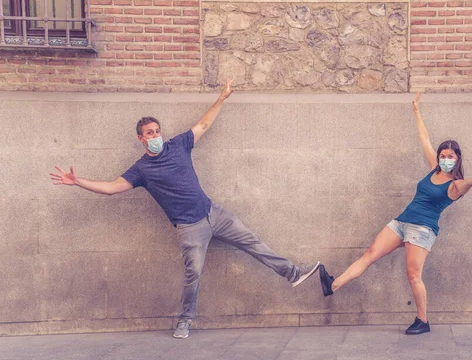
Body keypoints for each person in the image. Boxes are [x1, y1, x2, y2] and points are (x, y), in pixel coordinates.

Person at [50, 79, 320, 339]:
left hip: (214, 213)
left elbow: (204, 124)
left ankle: (293, 273)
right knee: (194, 274)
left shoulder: (177, 145)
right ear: (140, 139)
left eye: (157, 131)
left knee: (254, 243)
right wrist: (77, 182)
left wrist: (222, 98)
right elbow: (111, 187)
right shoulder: (141, 169)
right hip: (190, 228)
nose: (155, 136)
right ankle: (185, 319)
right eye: (149, 133)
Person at [318, 93, 472, 335]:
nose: (446, 159)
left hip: (421, 230)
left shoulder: (456, 185)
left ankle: (422, 321)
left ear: (458, 159)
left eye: (451, 156)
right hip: (401, 222)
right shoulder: (433, 169)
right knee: (369, 255)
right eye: (443, 156)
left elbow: (470, 183)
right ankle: (333, 284)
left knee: (413, 275)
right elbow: (424, 137)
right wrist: (416, 112)